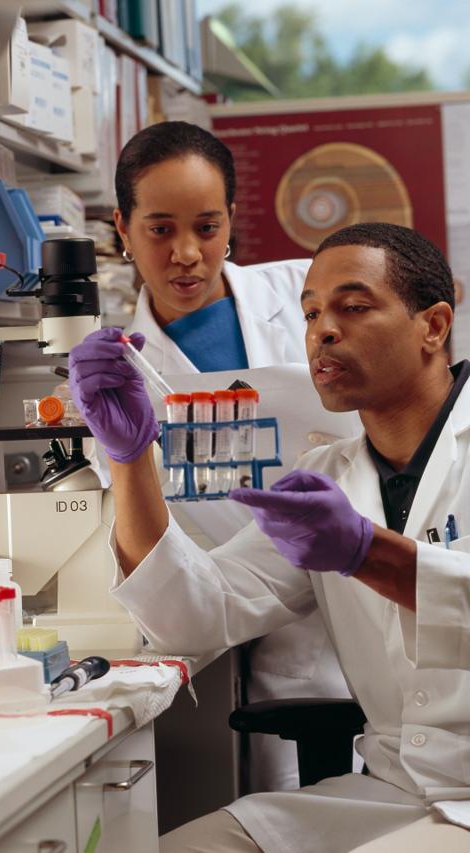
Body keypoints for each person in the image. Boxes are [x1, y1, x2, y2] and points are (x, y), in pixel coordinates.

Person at [69, 220, 470, 853]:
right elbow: (194, 615)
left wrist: (368, 553)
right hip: (390, 792)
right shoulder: (326, 476)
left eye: (353, 307)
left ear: (434, 326)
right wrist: (130, 458)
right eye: (311, 314)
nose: (323, 331)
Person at [111, 119, 350, 792]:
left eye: (207, 227)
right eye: (160, 229)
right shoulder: (121, 373)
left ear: (232, 220)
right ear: (122, 228)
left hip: (366, 589)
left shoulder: (308, 296)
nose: (187, 253)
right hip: (244, 617)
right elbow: (136, 523)